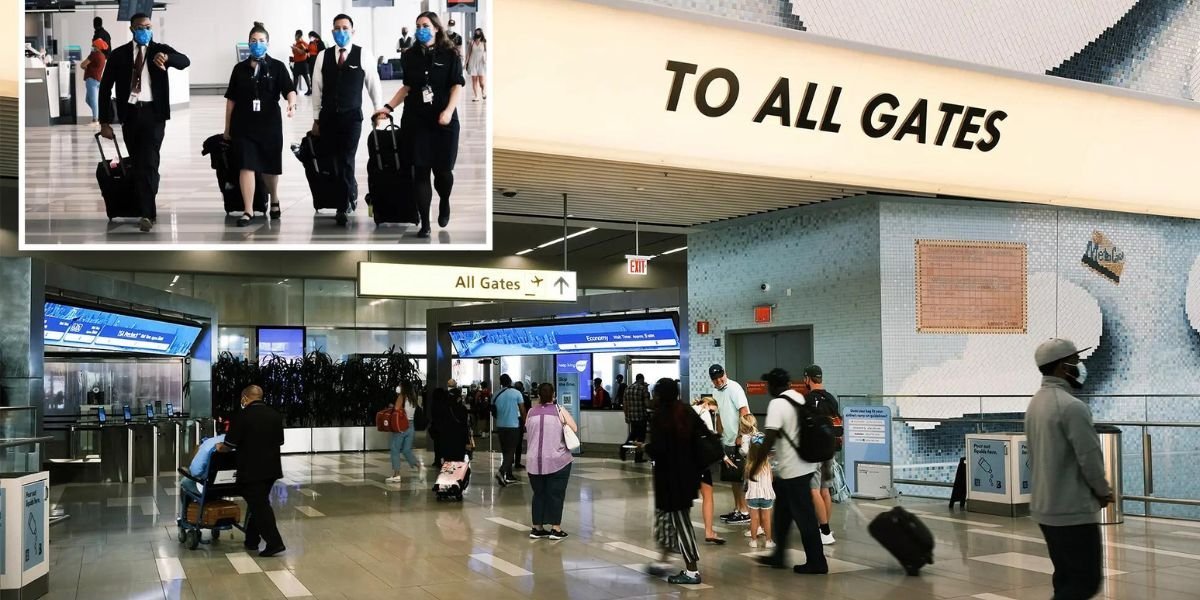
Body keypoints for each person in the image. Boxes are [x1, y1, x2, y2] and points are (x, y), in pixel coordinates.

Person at [1026, 339, 1112, 600]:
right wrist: (1102, 491)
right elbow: (1089, 457)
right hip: (1072, 510)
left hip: (1045, 508)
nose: (1080, 366)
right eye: (1076, 360)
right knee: (1084, 582)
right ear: (1064, 367)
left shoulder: (1036, 404)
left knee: (1065, 577)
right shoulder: (1072, 407)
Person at [372, 12, 465, 237]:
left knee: (443, 172)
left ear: (435, 28)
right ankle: (425, 223)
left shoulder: (450, 53)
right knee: (420, 172)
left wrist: (448, 111)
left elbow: (457, 85)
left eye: (425, 25)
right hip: (416, 120)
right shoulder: (410, 55)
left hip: (444, 120)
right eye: (418, 26)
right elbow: (407, 88)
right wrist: (388, 107)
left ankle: (444, 200)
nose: (420, 29)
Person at [98, 12, 191, 233]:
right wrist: (104, 122)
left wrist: (168, 59)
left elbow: (184, 61)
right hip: (130, 115)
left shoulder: (160, 50)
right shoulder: (119, 55)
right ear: (132, 29)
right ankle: (148, 206)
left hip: (154, 115)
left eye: (148, 27)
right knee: (143, 164)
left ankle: (146, 213)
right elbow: (104, 88)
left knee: (148, 161)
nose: (145, 31)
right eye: (141, 27)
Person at [751, 368, 828, 575]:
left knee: (806, 518)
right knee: (783, 515)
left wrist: (756, 466)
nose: (768, 389)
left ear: (774, 386)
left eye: (769, 385)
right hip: (800, 467)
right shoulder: (799, 398)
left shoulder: (777, 404)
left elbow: (769, 438)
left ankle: (817, 562)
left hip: (794, 471)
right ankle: (779, 556)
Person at [311, 13, 385, 227]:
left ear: (353, 31)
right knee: (333, 159)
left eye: (345, 28)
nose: (341, 32)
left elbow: (374, 84)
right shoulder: (323, 56)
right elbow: (317, 88)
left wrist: (377, 109)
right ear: (332, 31)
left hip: (352, 117)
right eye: (337, 28)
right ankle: (349, 193)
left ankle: (343, 205)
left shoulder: (363, 55)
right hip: (328, 117)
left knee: (346, 158)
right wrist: (316, 118)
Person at [223, 22, 297, 226]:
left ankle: (274, 198)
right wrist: (227, 128)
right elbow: (231, 100)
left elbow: (289, 90)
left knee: (269, 167)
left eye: (261, 41)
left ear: (268, 43)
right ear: (248, 43)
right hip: (244, 125)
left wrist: (292, 104)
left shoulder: (277, 67)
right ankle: (248, 210)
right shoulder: (239, 69)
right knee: (246, 165)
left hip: (269, 124)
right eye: (254, 41)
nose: (257, 44)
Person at [642, 378, 707, 585]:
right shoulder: (686, 411)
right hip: (687, 476)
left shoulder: (662, 417)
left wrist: (644, 448)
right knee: (668, 519)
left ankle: (692, 570)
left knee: (681, 523)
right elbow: (703, 434)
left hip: (670, 479)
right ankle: (664, 559)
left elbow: (659, 449)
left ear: (661, 395)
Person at [219, 385, 286, 557]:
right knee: (259, 503)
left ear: (245, 398)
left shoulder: (242, 416)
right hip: (271, 469)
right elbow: (279, 442)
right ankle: (251, 540)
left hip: (251, 470)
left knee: (260, 506)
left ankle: (275, 543)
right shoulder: (275, 415)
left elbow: (230, 444)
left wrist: (221, 448)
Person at [525, 382, 577, 540]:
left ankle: (537, 528)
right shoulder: (559, 410)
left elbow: (527, 429)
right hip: (557, 460)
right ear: (553, 394)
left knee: (538, 494)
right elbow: (573, 428)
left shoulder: (531, 412)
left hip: (533, 460)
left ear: (538, 395)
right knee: (556, 494)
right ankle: (556, 528)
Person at [799, 364, 840, 545]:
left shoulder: (808, 399)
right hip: (830, 448)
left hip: (814, 450)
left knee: (813, 489)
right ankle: (825, 529)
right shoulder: (831, 399)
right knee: (825, 489)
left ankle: (824, 531)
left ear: (807, 378)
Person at [709, 364, 751, 524]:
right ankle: (738, 509)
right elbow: (719, 414)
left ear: (725, 374)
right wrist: (718, 433)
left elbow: (744, 412)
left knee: (740, 477)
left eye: (721, 377)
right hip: (727, 439)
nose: (719, 381)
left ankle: (745, 511)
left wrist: (741, 434)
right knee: (733, 478)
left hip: (739, 440)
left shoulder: (735, 388)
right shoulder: (715, 392)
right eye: (715, 379)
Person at [691, 397, 726, 545]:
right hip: (700, 460)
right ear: (708, 404)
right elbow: (711, 435)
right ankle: (709, 531)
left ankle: (676, 530)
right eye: (713, 410)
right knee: (708, 494)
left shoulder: (689, 411)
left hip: (685, 458)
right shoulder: (704, 413)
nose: (713, 413)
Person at [743, 433, 777, 549]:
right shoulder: (767, 465)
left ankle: (753, 541)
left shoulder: (748, 466)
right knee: (766, 519)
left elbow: (747, 480)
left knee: (754, 519)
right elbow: (771, 479)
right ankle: (768, 541)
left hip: (753, 496)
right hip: (766, 496)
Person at [179, 433, 225, 518]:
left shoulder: (210, 443)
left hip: (209, 487)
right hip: (235, 488)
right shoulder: (246, 443)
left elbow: (195, 472)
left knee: (185, 482)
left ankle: (186, 517)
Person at [493, 374, 526, 487]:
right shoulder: (517, 393)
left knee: (505, 450)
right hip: (513, 425)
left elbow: (493, 411)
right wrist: (526, 422)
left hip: (500, 426)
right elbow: (522, 410)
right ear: (510, 381)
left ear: (501, 382)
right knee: (511, 450)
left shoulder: (495, 394)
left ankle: (509, 475)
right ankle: (502, 471)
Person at [429, 386, 472, 466]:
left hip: (446, 441)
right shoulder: (462, 409)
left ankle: (448, 476)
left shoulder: (444, 408)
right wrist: (467, 441)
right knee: (458, 463)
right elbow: (464, 426)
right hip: (459, 442)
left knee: (448, 465)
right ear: (458, 398)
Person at [386, 384, 420, 483]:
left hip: (402, 425)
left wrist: (392, 405)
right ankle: (418, 465)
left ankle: (396, 474)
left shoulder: (402, 396)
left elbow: (396, 408)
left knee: (395, 448)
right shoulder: (413, 398)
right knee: (406, 450)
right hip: (411, 425)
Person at [620, 373, 649, 462]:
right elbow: (647, 404)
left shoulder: (627, 388)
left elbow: (625, 404)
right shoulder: (642, 389)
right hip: (641, 417)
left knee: (633, 436)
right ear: (642, 379)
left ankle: (624, 448)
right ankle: (638, 457)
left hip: (632, 417)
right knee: (640, 438)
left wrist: (626, 416)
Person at [80, 39, 108, 124]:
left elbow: (83, 64)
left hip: (91, 79)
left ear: (98, 47)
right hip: (98, 79)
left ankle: (95, 120)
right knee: (88, 100)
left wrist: (86, 67)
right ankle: (98, 115)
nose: (92, 47)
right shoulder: (103, 56)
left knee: (93, 100)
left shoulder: (94, 55)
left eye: (94, 46)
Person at [466, 28, 486, 101]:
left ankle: (483, 91)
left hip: (481, 63)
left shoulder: (484, 42)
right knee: (474, 81)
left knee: (481, 82)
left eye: (478, 32)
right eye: (476, 32)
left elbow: (487, 52)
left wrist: (486, 60)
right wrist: (466, 63)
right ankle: (476, 96)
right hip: (472, 63)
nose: (477, 33)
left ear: (481, 33)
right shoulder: (472, 42)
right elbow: (468, 53)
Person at [290, 30, 312, 94]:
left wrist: (296, 48)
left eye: (297, 35)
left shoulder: (303, 43)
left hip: (303, 62)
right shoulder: (296, 43)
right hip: (297, 62)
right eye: (295, 35)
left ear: (299, 36)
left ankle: (309, 90)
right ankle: (294, 90)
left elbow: (303, 52)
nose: (295, 37)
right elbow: (295, 54)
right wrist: (293, 49)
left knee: (305, 76)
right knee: (295, 76)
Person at [305, 32, 324, 96]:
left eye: (310, 36)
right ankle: (312, 89)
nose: (310, 38)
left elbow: (323, 51)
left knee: (317, 75)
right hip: (310, 60)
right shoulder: (310, 43)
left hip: (317, 59)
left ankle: (319, 90)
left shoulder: (320, 42)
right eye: (309, 36)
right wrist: (306, 51)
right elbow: (308, 50)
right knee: (311, 75)